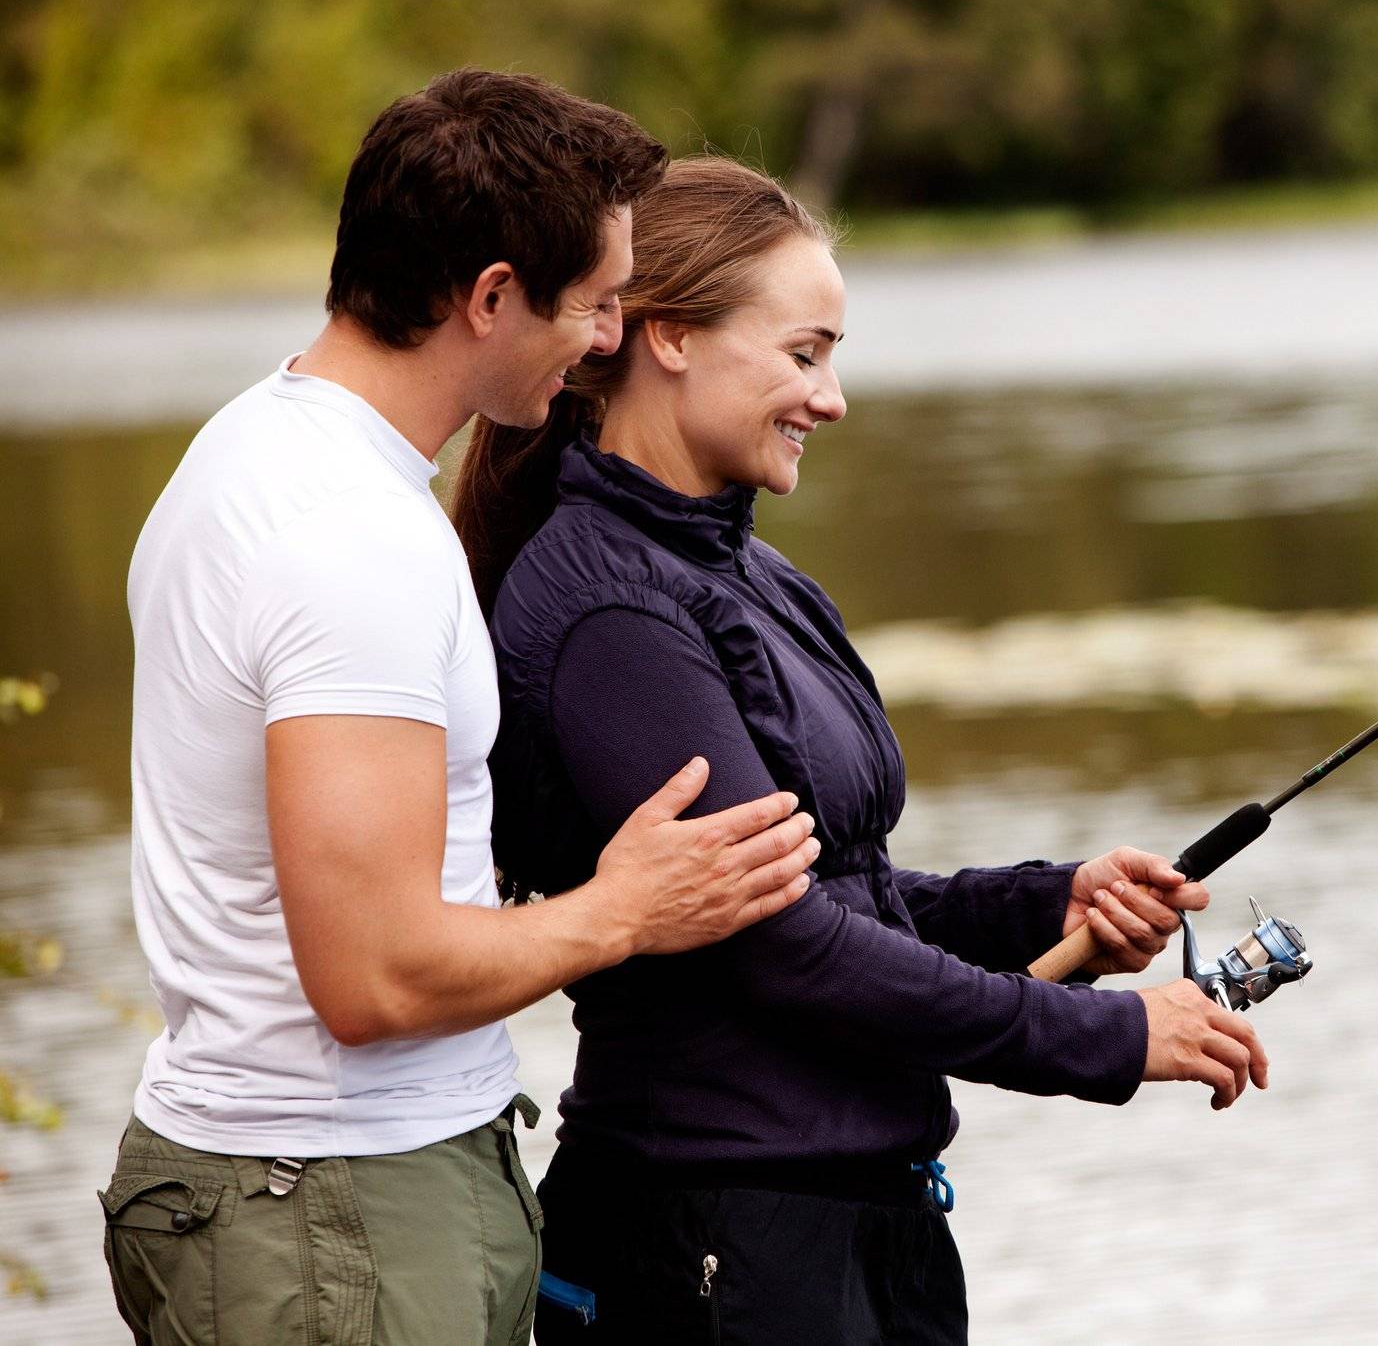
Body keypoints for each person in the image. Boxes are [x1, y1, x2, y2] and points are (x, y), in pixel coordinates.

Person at [458, 155, 1272, 1344]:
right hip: (715, 1243)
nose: (830, 398)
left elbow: (854, 894)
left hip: (855, 1226)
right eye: (804, 354)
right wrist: (1099, 1036)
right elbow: (782, 947)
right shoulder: (612, 611)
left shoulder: (753, 573)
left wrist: (1048, 907)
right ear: (670, 336)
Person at [103, 72, 819, 1346]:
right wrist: (625, 913)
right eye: (596, 305)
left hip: (318, 1195)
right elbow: (370, 976)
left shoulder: (253, 452)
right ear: (490, 297)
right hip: (334, 1210)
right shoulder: (352, 541)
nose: (607, 342)